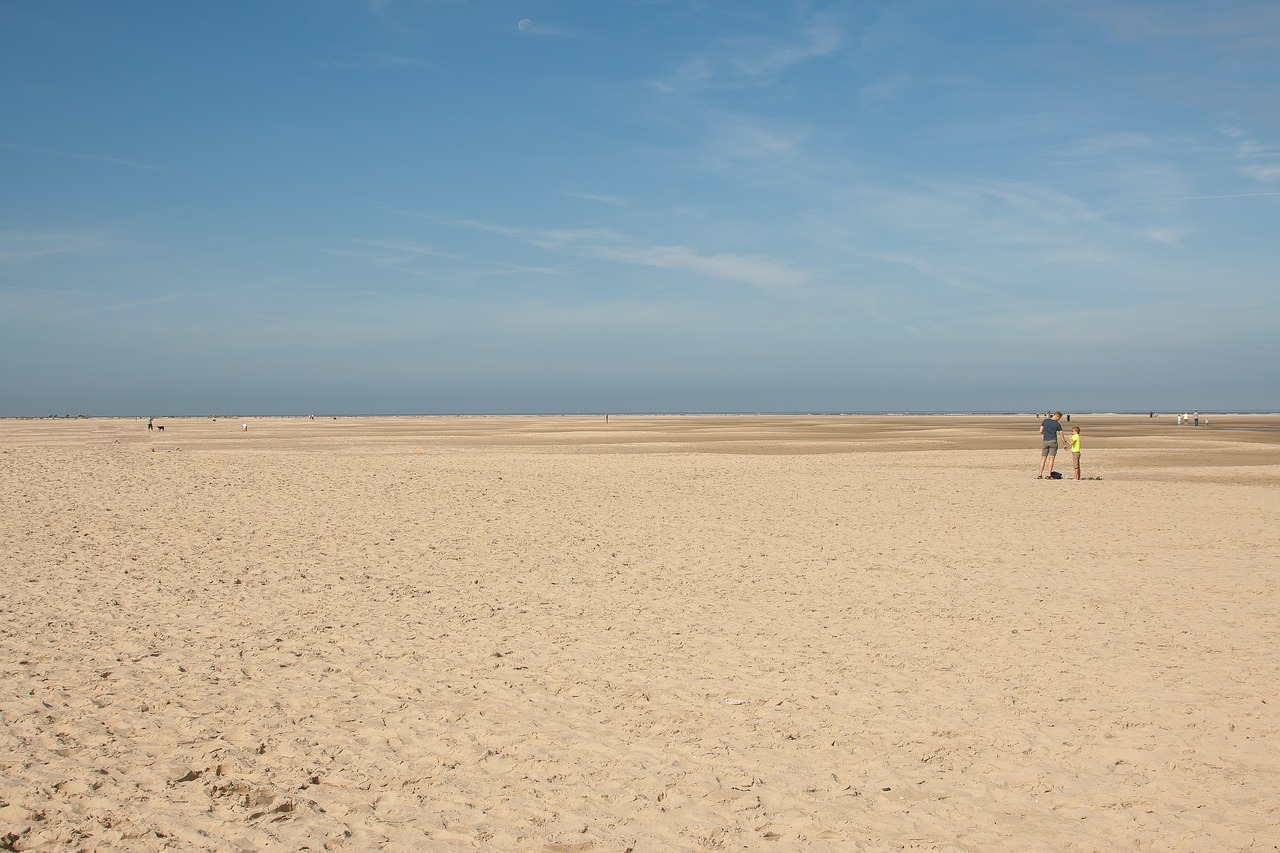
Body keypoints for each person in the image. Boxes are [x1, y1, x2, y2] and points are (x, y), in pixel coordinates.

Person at [1037, 411, 1065, 478]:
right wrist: (1064, 443)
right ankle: (1049, 474)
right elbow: (1061, 434)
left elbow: (1040, 430)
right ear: (1057, 416)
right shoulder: (1057, 424)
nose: (1059, 419)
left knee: (1043, 458)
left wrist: (1045, 433)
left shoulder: (1045, 421)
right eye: (1059, 418)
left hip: (1045, 441)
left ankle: (1040, 474)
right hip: (1053, 441)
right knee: (1051, 458)